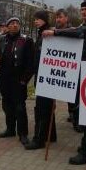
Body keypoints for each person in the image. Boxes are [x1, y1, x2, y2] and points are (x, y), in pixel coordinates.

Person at [42, 0, 86, 165]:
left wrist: (56, 33)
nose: (83, 12)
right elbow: (78, 31)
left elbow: (80, 33)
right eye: (82, 10)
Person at [0, 17, 34, 145]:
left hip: (19, 80)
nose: (15, 25)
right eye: (12, 23)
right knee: (7, 106)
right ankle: (10, 129)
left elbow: (30, 63)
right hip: (5, 79)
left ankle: (23, 134)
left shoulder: (26, 40)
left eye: (17, 23)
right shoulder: (1, 40)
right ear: (7, 26)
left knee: (20, 108)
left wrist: (24, 80)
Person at [25, 10, 57, 150]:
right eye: (35, 19)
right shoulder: (41, 34)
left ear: (44, 20)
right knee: (47, 107)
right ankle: (51, 135)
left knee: (42, 108)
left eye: (38, 19)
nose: (36, 21)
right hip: (43, 75)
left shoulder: (48, 34)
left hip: (46, 76)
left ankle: (39, 140)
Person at [54, 9, 75, 126]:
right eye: (57, 17)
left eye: (60, 17)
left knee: (72, 94)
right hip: (57, 64)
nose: (58, 19)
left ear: (66, 18)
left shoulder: (73, 31)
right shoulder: (53, 31)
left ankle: (74, 116)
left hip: (70, 65)